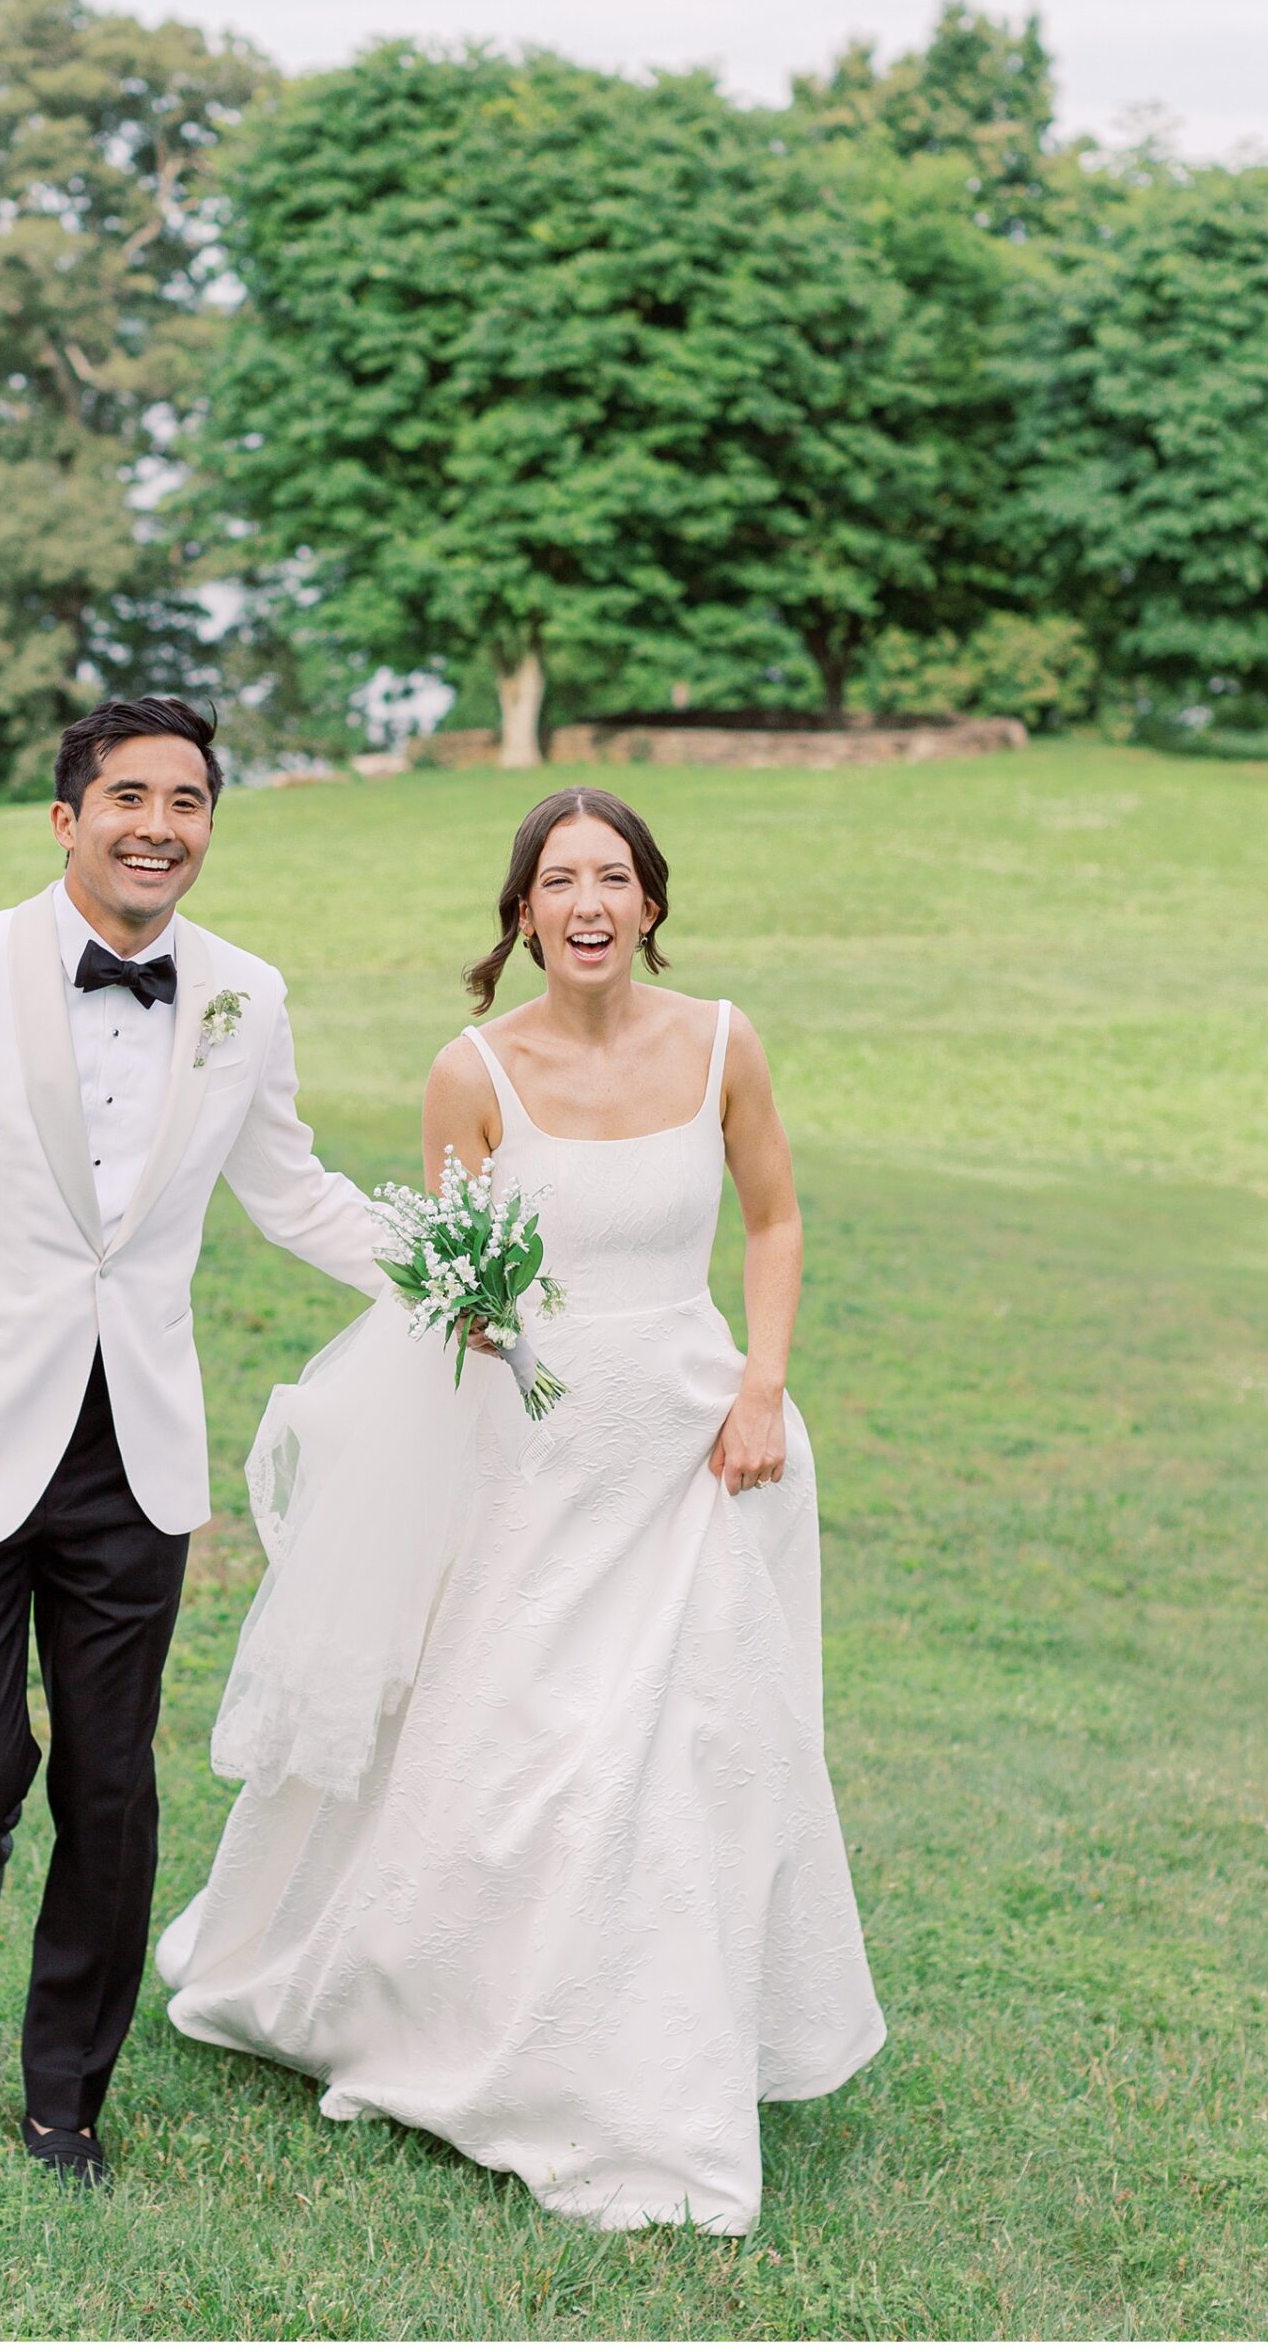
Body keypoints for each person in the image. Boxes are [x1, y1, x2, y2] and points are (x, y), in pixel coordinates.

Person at [158, 786, 887, 2235]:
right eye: (559, 881)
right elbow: (453, 1271)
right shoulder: (471, 1070)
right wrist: (478, 1315)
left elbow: (775, 1219)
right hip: (534, 1456)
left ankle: (656, 2072)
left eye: (612, 878)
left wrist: (762, 1387)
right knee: (526, 1758)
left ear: (651, 904)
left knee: (680, 1756)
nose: (587, 904)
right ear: (523, 913)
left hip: (694, 1446)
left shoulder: (723, 1043)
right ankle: (467, 2020)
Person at [0, 696, 383, 2189]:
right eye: (127, 797)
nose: (158, 827)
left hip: (135, 1448)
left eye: (187, 801)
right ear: (66, 819)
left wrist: (455, 1280)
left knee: (110, 1783)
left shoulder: (244, 994)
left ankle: (65, 2099)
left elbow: (293, 1190)